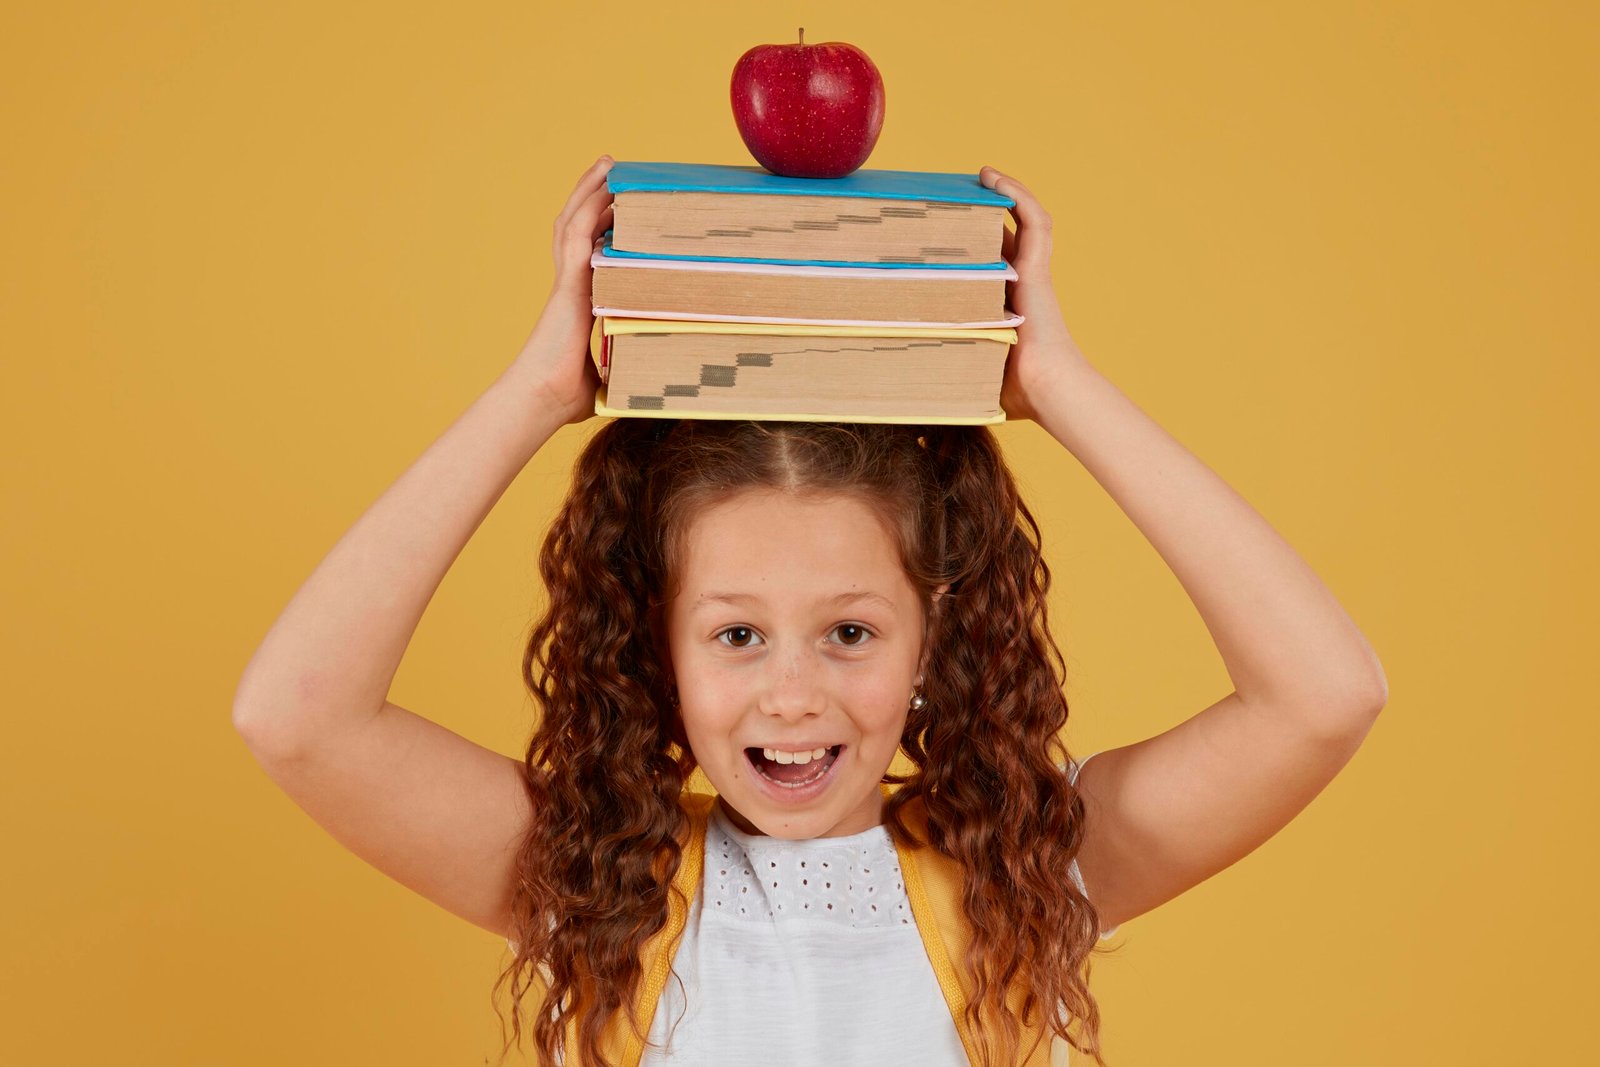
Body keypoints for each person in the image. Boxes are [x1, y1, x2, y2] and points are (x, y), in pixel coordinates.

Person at [232, 155, 1388, 1067]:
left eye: (850, 631)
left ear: (933, 638)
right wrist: (536, 392)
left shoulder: (1020, 876)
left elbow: (1322, 696)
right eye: (736, 632)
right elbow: (297, 714)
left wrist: (1061, 387)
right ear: (657, 652)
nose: (794, 692)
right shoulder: (599, 886)